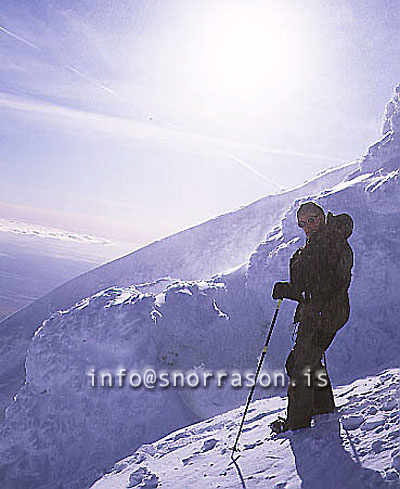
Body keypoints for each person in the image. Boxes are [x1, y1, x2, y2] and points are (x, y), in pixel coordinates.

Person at [270, 202, 354, 433]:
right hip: (316, 315)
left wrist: (289, 291)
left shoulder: (333, 244)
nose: (308, 226)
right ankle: (323, 407)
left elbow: (325, 289)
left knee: (301, 367)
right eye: (303, 223)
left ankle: (297, 424)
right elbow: (308, 287)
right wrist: (293, 289)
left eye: (312, 219)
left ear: (322, 216)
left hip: (325, 316)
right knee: (304, 363)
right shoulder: (316, 244)